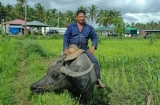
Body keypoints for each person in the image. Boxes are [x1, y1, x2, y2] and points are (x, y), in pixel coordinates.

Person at [63, 10, 105, 88]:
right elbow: (66, 37)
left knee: (94, 61)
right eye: (80, 17)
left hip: (84, 50)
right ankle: (60, 79)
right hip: (73, 50)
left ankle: (98, 79)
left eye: (83, 17)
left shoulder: (89, 28)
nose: (82, 18)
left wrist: (93, 47)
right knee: (61, 61)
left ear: (85, 18)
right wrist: (65, 48)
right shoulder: (71, 27)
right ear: (76, 17)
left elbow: (95, 37)